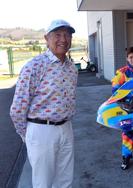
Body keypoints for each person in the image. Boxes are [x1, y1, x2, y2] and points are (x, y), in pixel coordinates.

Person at [10, 19, 77, 188]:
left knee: (65, 181)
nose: (63, 39)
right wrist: (28, 135)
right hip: (41, 131)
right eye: (58, 34)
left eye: (67, 35)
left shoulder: (71, 68)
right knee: (43, 183)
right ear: (46, 38)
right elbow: (18, 108)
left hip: (66, 128)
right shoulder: (34, 66)